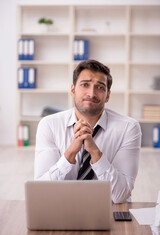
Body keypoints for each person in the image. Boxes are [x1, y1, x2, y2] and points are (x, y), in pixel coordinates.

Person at [34, 59, 141, 203]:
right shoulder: (49, 125)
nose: (91, 93)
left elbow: (120, 195)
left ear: (107, 95)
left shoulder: (129, 128)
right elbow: (41, 191)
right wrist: (70, 153)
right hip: (61, 208)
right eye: (85, 85)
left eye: (100, 87)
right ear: (73, 90)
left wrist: (95, 153)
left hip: (108, 210)